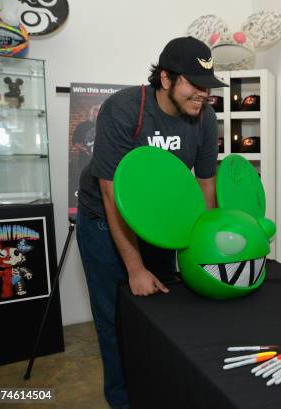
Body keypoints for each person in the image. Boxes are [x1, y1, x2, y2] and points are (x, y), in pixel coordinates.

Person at [75, 36, 227, 409]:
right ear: (165, 79)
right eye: (194, 84)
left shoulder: (205, 116)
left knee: (162, 315)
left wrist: (205, 252)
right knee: (117, 319)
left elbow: (206, 187)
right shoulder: (124, 109)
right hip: (103, 219)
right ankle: (123, 400)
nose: (203, 95)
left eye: (208, 86)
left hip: (162, 219)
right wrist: (135, 267)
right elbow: (112, 195)